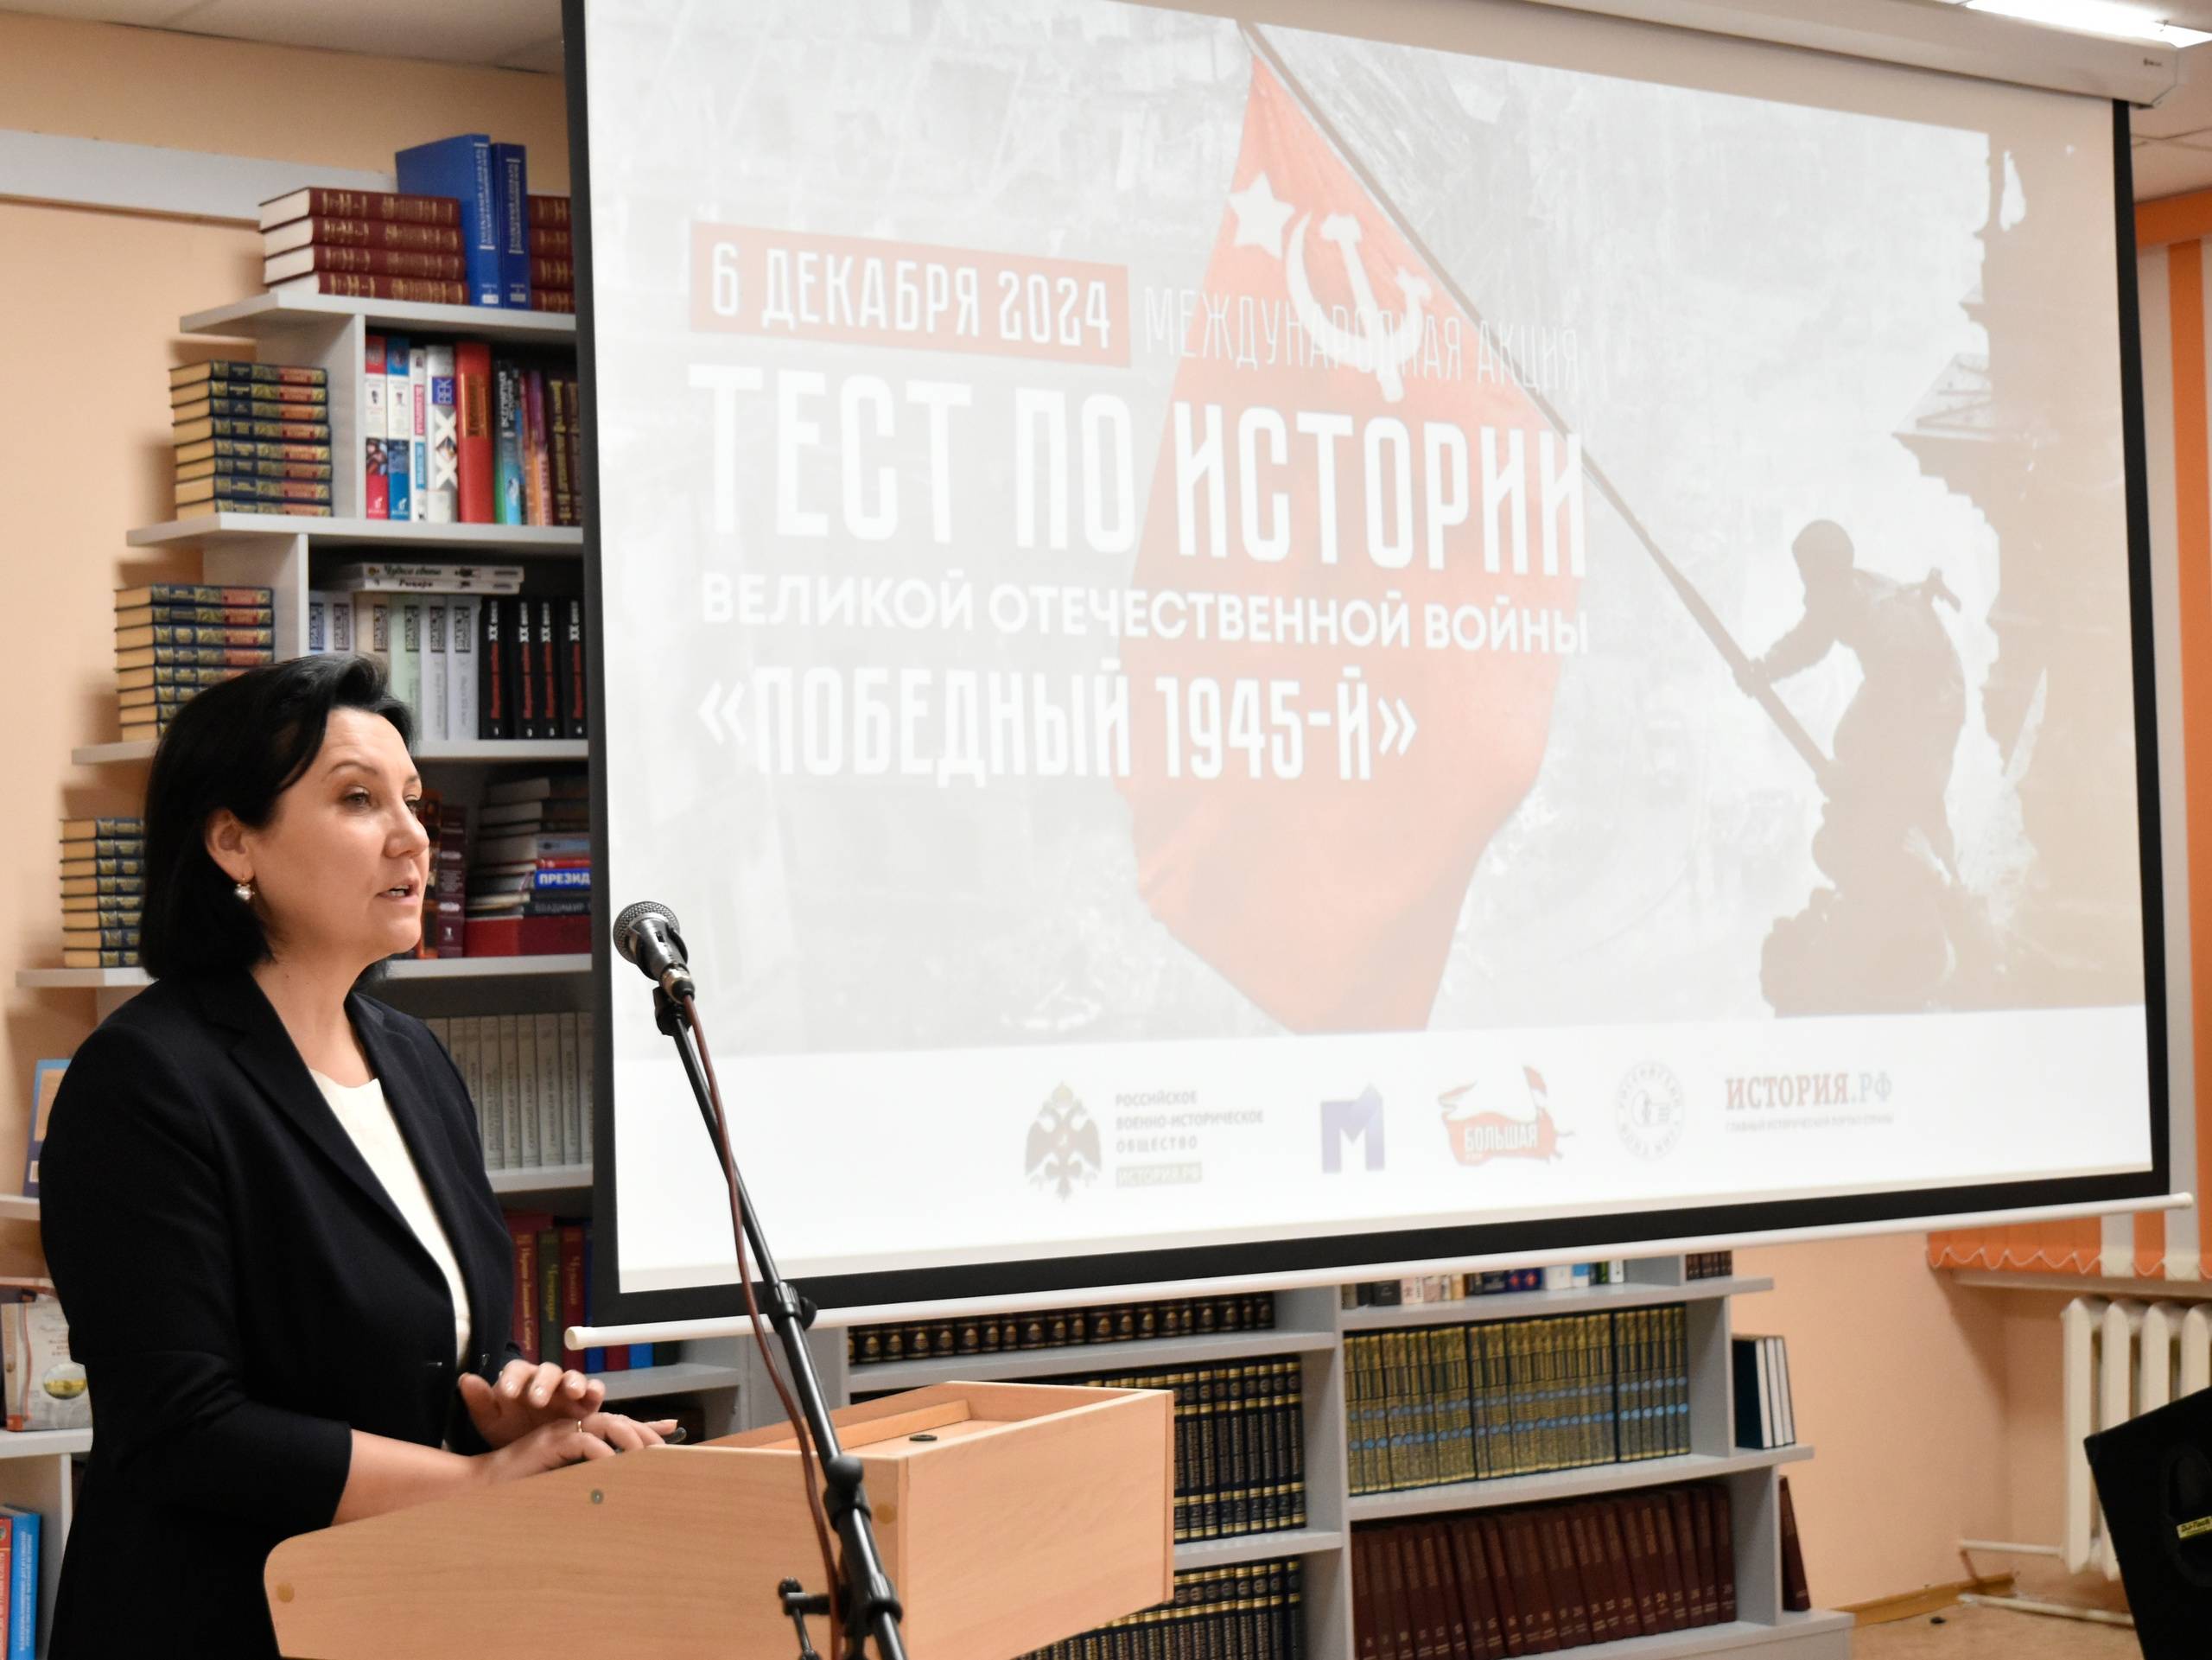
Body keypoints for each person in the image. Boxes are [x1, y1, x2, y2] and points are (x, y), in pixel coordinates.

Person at [38, 656, 671, 1657]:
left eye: (412, 798)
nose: (413, 834)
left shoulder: (413, 1057)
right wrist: (476, 1480)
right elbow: (180, 1425)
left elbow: (431, 1342)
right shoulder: (145, 1079)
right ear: (233, 841)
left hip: (412, 1611)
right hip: (223, 1623)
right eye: (358, 799)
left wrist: (503, 1403)